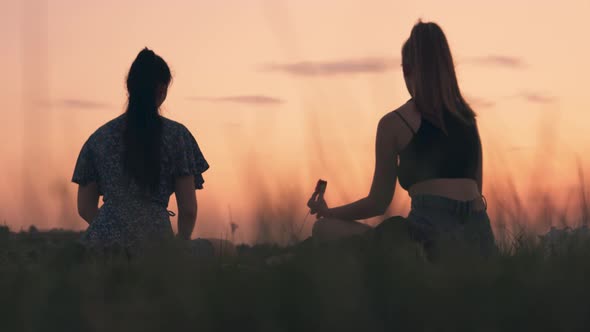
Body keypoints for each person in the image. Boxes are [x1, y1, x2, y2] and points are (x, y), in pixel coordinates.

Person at [307, 21, 496, 256]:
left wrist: (330, 212)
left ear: (406, 69)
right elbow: (476, 187)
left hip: (428, 235)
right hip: (479, 237)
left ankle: (416, 259)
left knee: (324, 229)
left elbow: (378, 202)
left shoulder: (394, 123)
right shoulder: (468, 118)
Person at [72, 48, 210, 253]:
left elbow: (84, 207)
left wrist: (115, 230)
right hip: (156, 245)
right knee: (223, 248)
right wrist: (179, 249)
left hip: (101, 243)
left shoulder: (98, 138)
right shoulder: (177, 136)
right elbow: (188, 210)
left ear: (129, 88)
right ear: (162, 89)